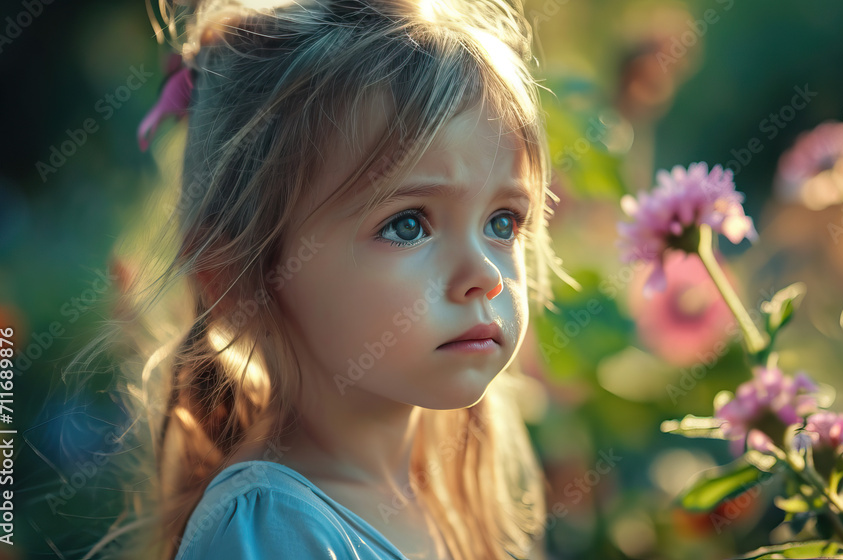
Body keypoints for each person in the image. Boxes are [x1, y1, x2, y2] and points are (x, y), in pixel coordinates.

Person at [67, 0, 578, 558]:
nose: (485, 275)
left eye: (503, 222)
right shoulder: (270, 532)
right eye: (408, 225)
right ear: (239, 280)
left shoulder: (454, 487)